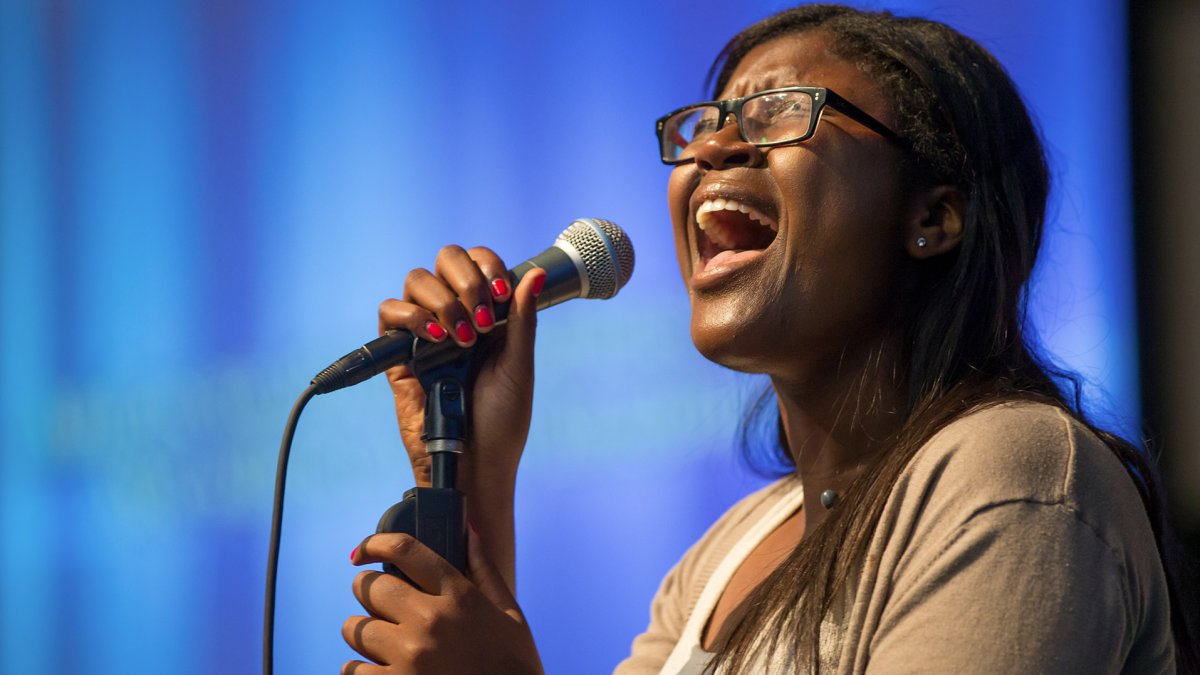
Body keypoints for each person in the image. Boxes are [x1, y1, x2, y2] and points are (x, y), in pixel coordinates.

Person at [339, 4, 1197, 673]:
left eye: (776, 114)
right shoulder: (727, 554)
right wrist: (479, 472)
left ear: (932, 216)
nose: (711, 148)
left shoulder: (1013, 470)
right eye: (705, 124)